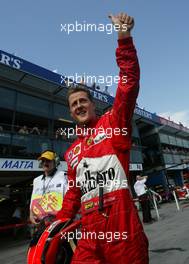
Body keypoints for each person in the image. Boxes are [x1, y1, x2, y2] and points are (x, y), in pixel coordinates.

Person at [56, 12, 149, 264]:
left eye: (82, 100)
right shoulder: (71, 152)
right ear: (71, 112)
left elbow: (128, 84)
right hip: (89, 237)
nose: (78, 106)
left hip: (123, 233)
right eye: (73, 104)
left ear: (93, 105)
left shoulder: (113, 124)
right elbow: (74, 193)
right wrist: (56, 225)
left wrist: (124, 37)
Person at [30, 150, 68, 225]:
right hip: (40, 223)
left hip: (58, 221)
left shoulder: (64, 176)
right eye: (43, 161)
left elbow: (69, 199)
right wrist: (31, 215)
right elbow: (32, 200)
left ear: (55, 162)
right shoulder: (36, 180)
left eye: (48, 161)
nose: (45, 163)